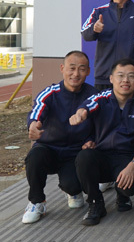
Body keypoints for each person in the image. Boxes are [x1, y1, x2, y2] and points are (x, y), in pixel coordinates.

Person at [70, 58, 134, 226]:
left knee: (129, 187)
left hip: (126, 159)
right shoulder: (102, 98)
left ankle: (123, 196)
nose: (125, 80)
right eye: (120, 76)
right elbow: (88, 106)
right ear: (111, 78)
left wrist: (133, 166)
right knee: (84, 157)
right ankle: (96, 203)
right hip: (102, 155)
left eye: (131, 76)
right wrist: (80, 113)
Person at [22, 51, 98, 224]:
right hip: (49, 148)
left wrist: (93, 140)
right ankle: (37, 201)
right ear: (62, 68)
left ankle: (72, 191)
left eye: (81, 69)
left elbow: (101, 124)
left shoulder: (93, 95)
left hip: (75, 152)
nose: (76, 74)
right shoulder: (50, 93)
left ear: (88, 71)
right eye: (72, 68)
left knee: (73, 185)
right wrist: (33, 124)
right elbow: (37, 110)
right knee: (35, 156)